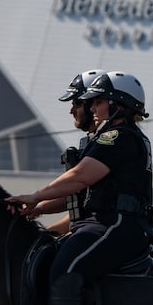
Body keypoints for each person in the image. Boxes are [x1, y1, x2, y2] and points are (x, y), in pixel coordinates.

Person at [6, 71, 153, 305]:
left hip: (118, 225)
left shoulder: (119, 137)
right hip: (101, 222)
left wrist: (34, 196)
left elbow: (78, 179)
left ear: (119, 106)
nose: (92, 107)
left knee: (66, 267)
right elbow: (83, 194)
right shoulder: (104, 140)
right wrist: (35, 210)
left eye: (99, 102)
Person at [45, 68, 106, 234]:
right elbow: (78, 201)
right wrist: (36, 209)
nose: (71, 111)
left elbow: (76, 182)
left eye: (77, 104)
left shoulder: (111, 141)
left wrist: (35, 200)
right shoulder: (91, 142)